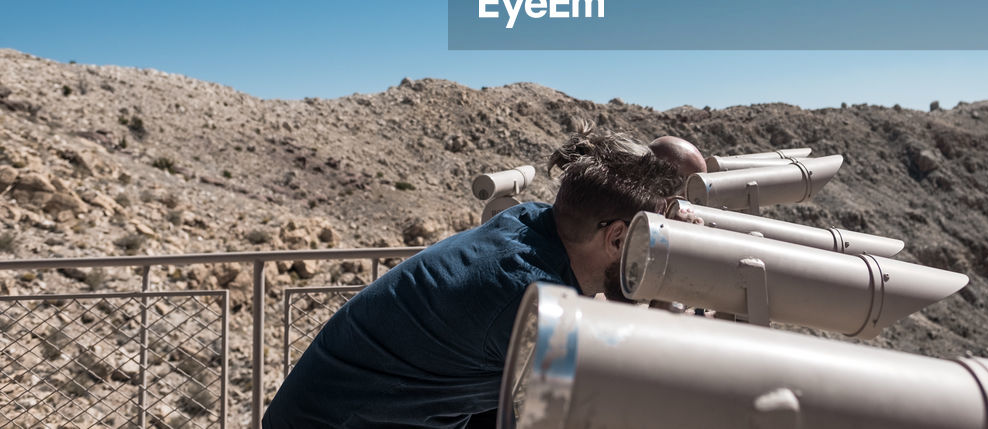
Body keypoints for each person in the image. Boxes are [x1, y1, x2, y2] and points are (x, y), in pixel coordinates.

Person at [262, 121, 683, 429]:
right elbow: (629, 387)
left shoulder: (534, 223)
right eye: (653, 236)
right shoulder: (525, 293)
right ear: (615, 237)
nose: (658, 247)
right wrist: (672, 283)